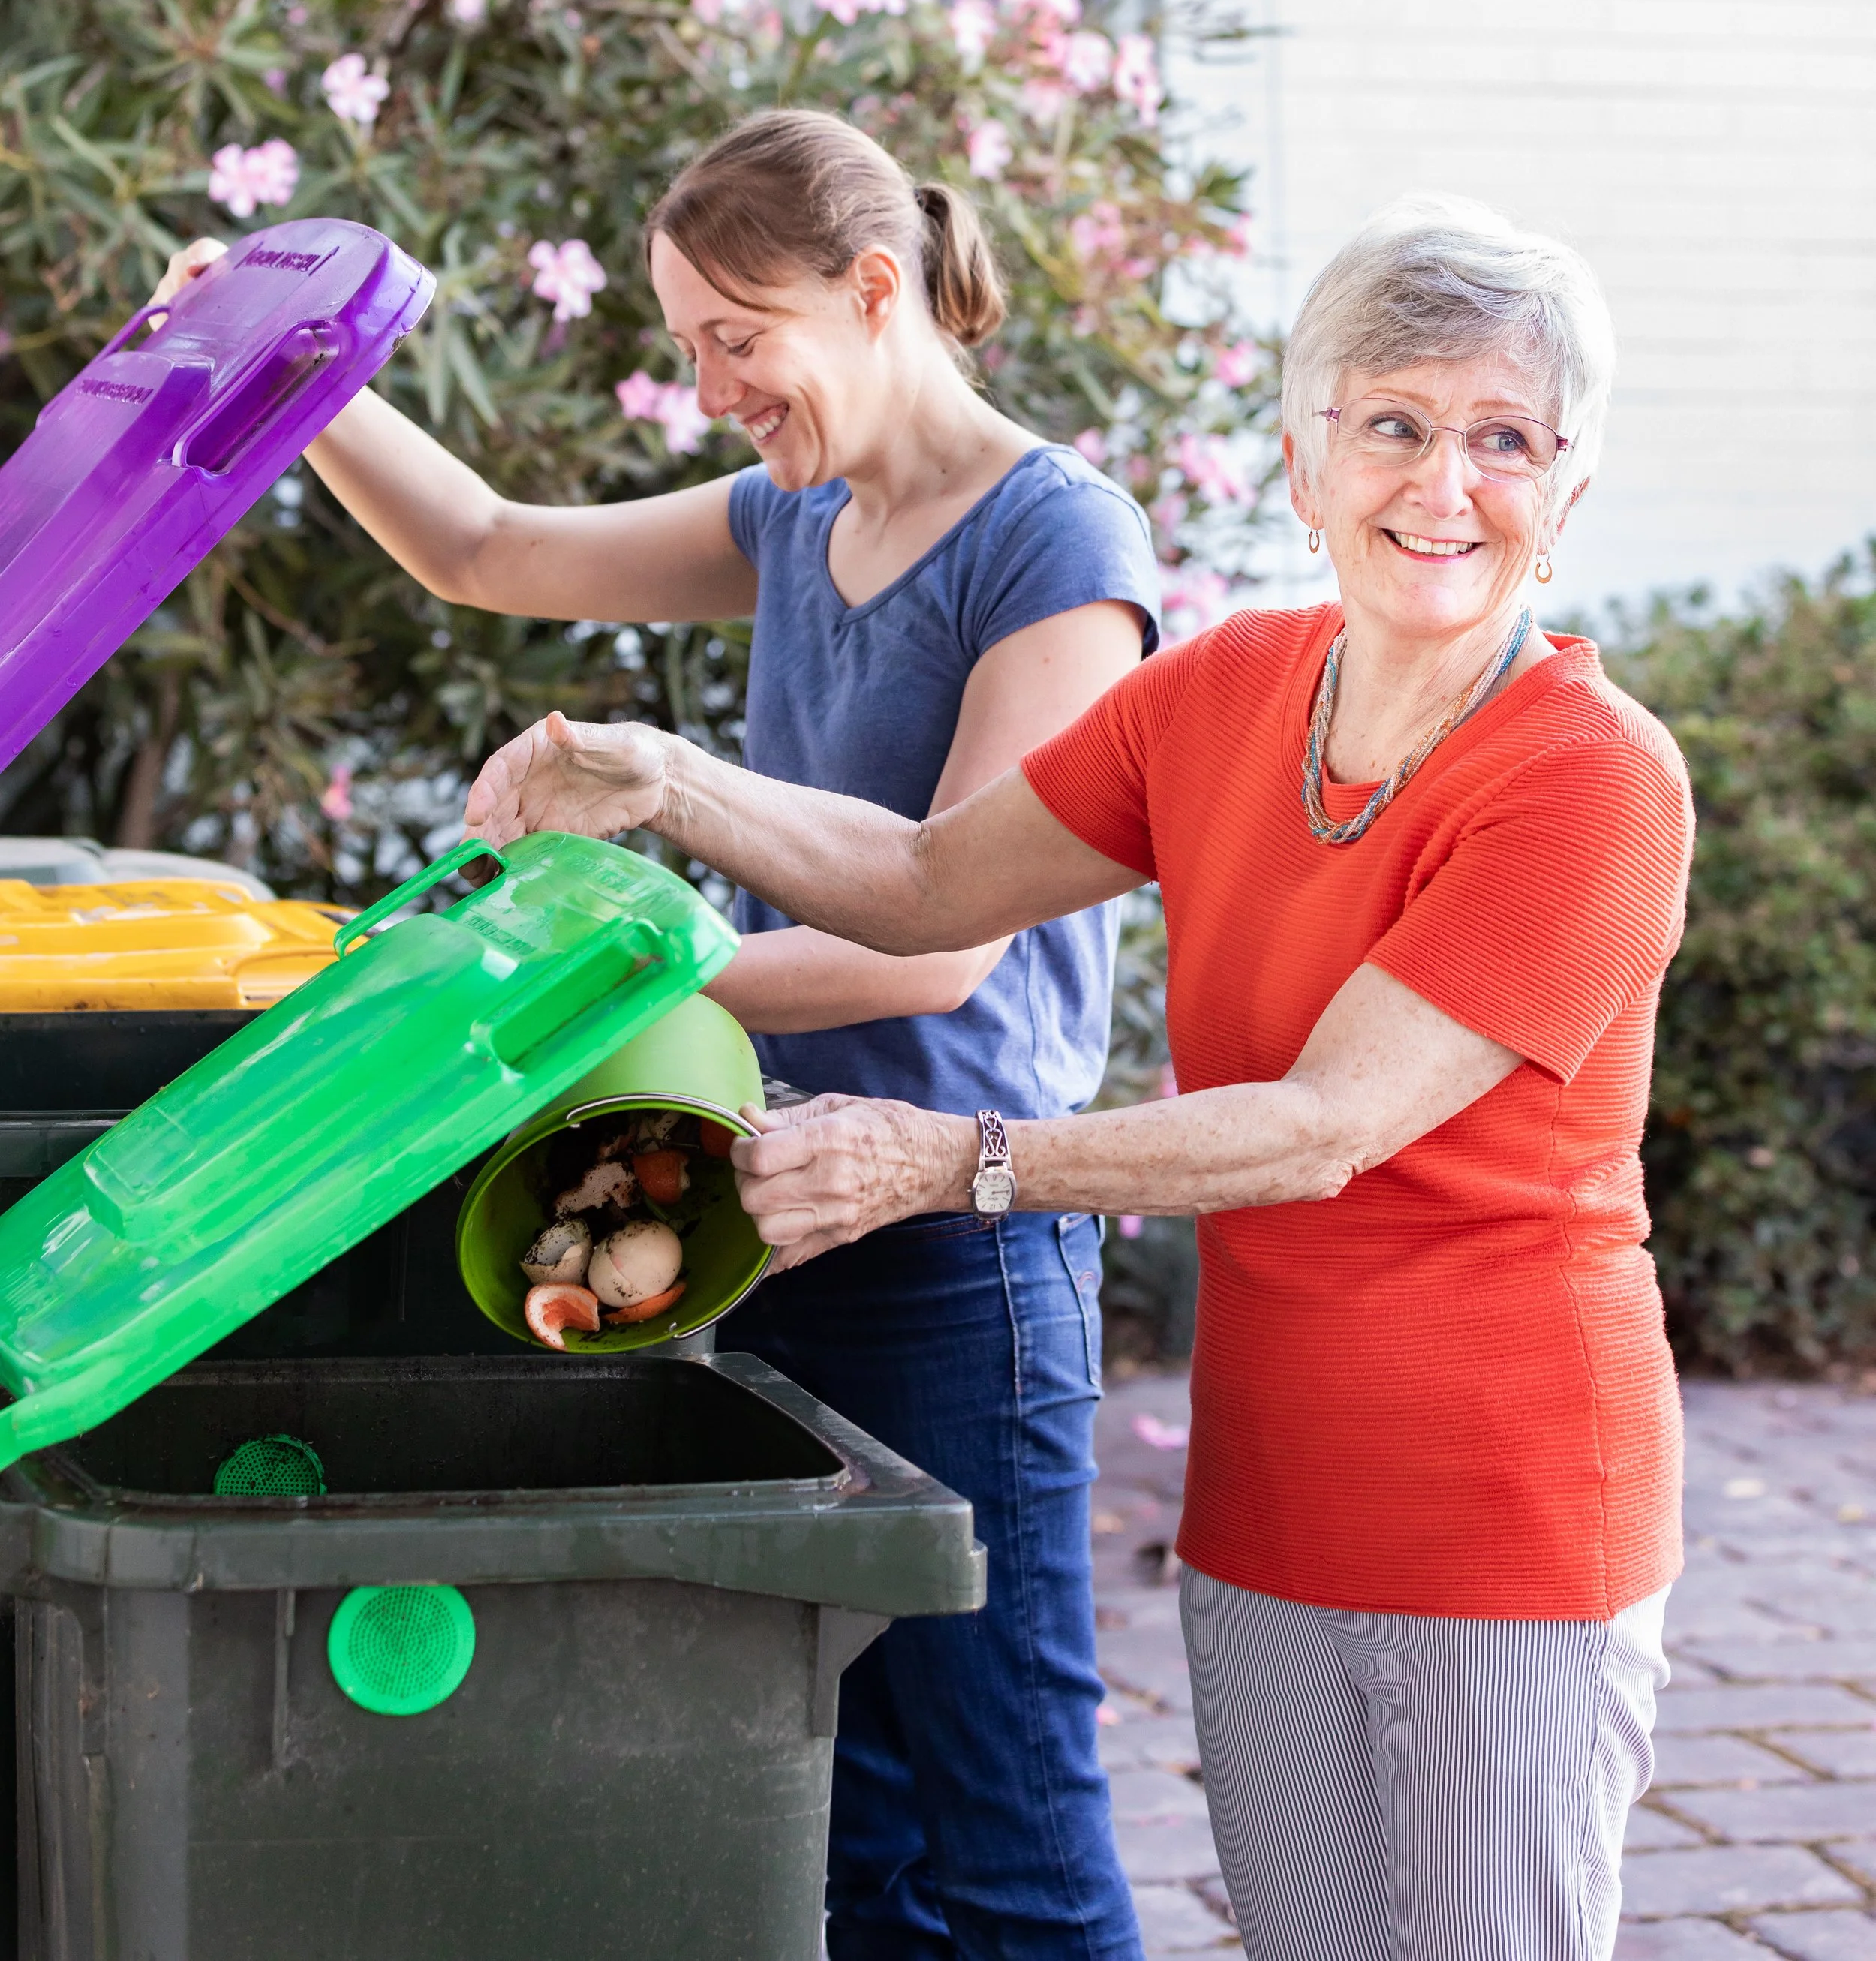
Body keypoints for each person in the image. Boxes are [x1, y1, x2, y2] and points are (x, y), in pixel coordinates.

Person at [463, 192, 1697, 1961]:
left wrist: (947, 1161)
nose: (1443, 485)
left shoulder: (1585, 780)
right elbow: (924, 880)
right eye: (1395, 428)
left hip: (1500, 1499)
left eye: (1503, 440)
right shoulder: (1225, 692)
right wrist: (665, 782)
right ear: (1301, 459)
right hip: (1270, 1487)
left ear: (1563, 493)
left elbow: (1322, 1127)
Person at [155, 110, 1159, 1961]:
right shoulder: (800, 518)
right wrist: (285, 367)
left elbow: (934, 951)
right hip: (768, 1202)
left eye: (733, 341)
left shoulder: (1053, 544)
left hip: (955, 1251)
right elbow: (483, 545)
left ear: (872, 293)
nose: (707, 392)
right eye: (689, 345)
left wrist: (594, 986)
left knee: (1005, 1816)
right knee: (843, 1813)